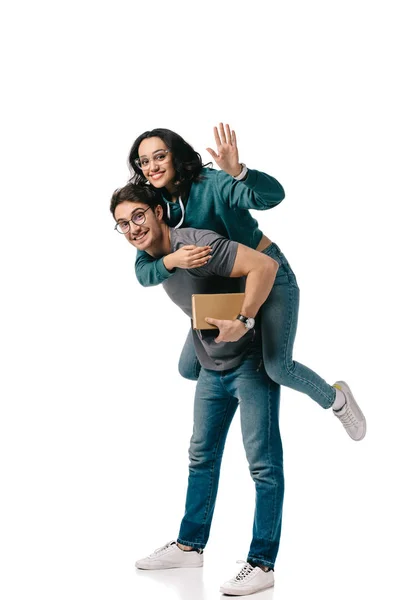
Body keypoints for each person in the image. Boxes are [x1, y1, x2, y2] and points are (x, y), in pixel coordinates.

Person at [110, 184, 363, 595]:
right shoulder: (147, 257)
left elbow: (265, 266)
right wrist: (175, 265)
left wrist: (243, 322)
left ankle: (262, 563)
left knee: (262, 465)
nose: (132, 228)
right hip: (212, 366)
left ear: (160, 210)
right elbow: (145, 275)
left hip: (251, 361)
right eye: (122, 223)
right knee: (201, 456)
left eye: (139, 216)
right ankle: (190, 546)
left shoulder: (199, 243)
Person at [128, 124, 366, 440]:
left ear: (176, 156)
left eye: (159, 156)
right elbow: (144, 270)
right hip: (224, 291)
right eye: (144, 162)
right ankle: (241, 374)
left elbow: (273, 196)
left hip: (269, 273)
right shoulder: (155, 207)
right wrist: (171, 261)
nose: (152, 167)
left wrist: (239, 172)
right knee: (190, 367)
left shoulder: (212, 183)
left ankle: (337, 399)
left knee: (277, 368)